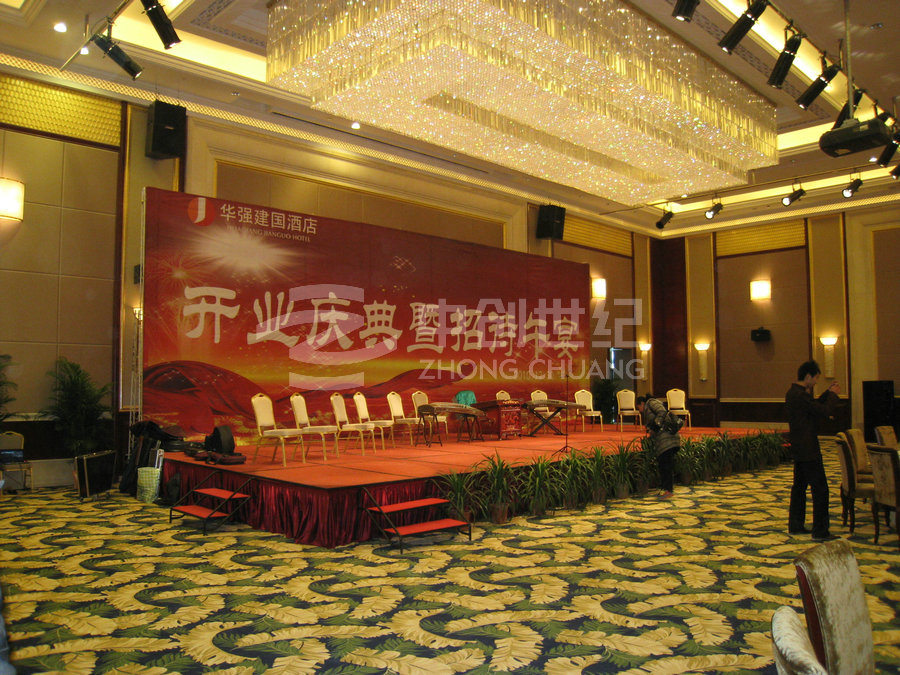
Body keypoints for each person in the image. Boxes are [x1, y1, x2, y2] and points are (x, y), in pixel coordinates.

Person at [785, 360, 841, 541]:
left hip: (799, 447)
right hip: (808, 448)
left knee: (799, 487)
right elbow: (823, 411)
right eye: (816, 378)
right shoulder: (800, 395)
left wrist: (827, 393)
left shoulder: (794, 393)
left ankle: (796, 525)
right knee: (820, 489)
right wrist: (833, 395)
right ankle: (820, 530)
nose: (816, 382)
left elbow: (813, 406)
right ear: (808, 376)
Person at [636, 394, 681, 499]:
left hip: (667, 439)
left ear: (642, 403)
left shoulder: (651, 402)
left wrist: (655, 427)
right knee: (664, 465)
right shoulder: (649, 407)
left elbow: (662, 412)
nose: (640, 411)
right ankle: (666, 489)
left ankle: (668, 490)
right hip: (665, 440)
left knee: (666, 466)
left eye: (639, 408)